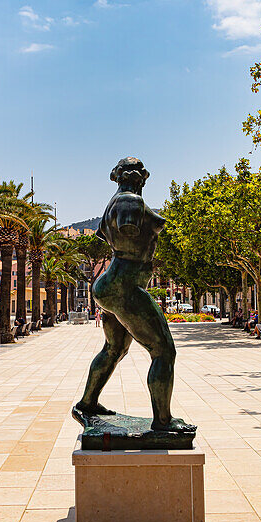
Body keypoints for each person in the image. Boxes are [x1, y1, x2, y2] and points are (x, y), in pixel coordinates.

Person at [73, 157, 191, 432]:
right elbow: (127, 230)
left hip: (111, 285)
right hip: (124, 287)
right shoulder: (129, 202)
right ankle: (163, 421)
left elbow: (109, 234)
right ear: (139, 177)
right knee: (163, 351)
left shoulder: (114, 202)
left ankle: (88, 403)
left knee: (114, 349)